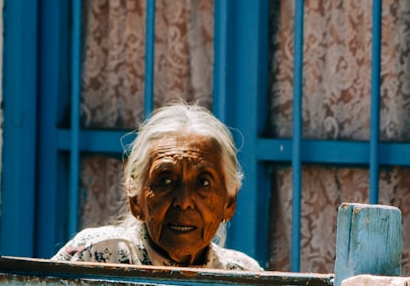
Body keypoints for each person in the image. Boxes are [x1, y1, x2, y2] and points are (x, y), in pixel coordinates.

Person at [52, 103, 263, 271]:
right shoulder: (94, 258)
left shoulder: (243, 276)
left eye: (203, 183)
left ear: (229, 202)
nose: (184, 202)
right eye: (166, 181)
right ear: (135, 199)